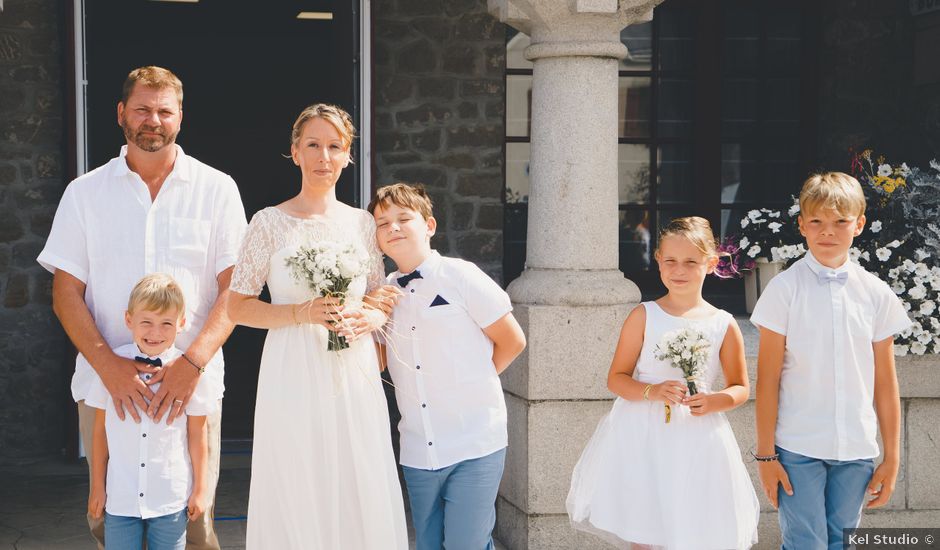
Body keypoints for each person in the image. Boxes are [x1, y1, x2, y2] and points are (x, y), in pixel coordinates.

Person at [37, 65, 247, 550]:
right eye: (142, 109)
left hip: (189, 390)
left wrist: (191, 364)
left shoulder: (217, 189)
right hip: (106, 388)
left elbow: (235, 291)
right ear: (120, 114)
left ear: (180, 117)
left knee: (194, 528)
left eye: (164, 111)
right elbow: (65, 292)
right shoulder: (84, 193)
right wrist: (107, 365)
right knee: (110, 525)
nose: (153, 119)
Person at [227, 103, 408, 549]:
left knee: (355, 466)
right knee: (296, 470)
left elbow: (380, 293)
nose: (324, 156)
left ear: (348, 156)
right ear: (294, 151)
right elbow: (237, 307)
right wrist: (300, 313)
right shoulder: (268, 223)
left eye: (334, 146)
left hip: (352, 365)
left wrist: (373, 315)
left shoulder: (364, 223)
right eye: (313, 145)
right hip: (292, 367)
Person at [567, 216, 759, 550]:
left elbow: (740, 386)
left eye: (690, 262)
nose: (679, 270)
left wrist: (715, 401)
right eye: (670, 260)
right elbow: (616, 378)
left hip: (698, 437)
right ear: (658, 261)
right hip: (643, 435)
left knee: (696, 524)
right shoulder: (643, 316)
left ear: (711, 264)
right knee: (645, 527)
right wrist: (651, 391)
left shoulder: (723, 324)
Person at [751, 172, 910, 550]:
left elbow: (885, 383)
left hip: (856, 448)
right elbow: (768, 379)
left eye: (840, 221)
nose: (828, 231)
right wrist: (765, 455)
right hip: (797, 447)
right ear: (802, 225)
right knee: (806, 543)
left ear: (859, 225)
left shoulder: (876, 294)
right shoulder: (784, 289)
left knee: (843, 542)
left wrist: (892, 457)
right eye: (818, 222)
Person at [368, 183, 526, 550]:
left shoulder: (461, 276)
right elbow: (377, 363)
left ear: (429, 225)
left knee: (465, 544)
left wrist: (474, 382)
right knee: (427, 543)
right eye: (382, 222)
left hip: (474, 440)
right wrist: (370, 315)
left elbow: (513, 340)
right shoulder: (382, 293)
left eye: (403, 218)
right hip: (418, 447)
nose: (393, 227)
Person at [87, 273, 213, 550]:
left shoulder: (190, 373)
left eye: (166, 323)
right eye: (147, 322)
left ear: (181, 324)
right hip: (121, 497)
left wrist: (201, 489)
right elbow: (100, 432)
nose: (155, 333)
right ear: (129, 320)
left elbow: (197, 433)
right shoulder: (111, 366)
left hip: (170, 497)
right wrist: (97, 486)